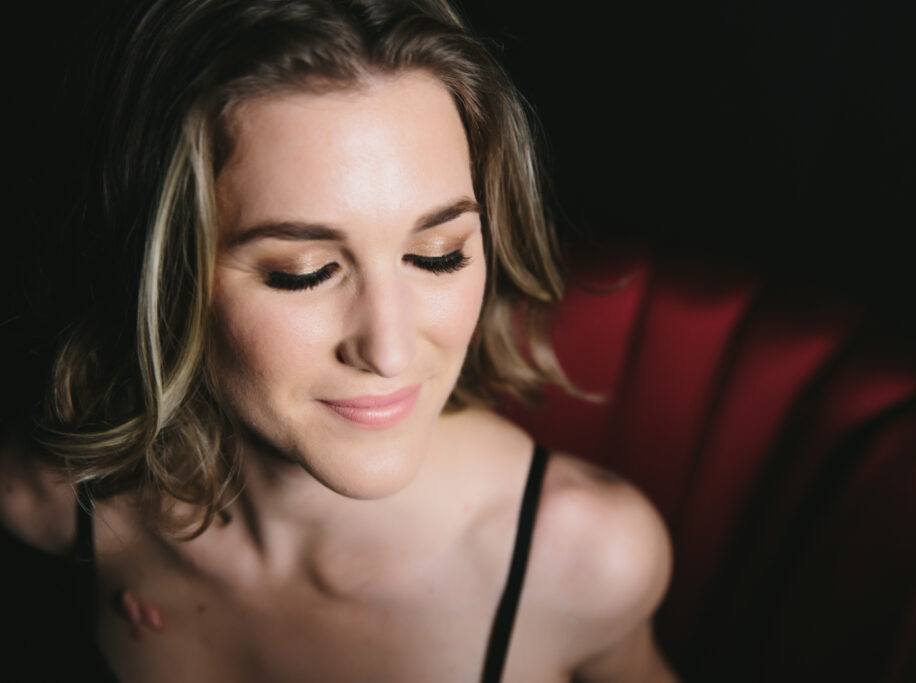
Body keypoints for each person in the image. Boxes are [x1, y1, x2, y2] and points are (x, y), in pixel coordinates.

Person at [0, 1, 677, 680]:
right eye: (306, 273)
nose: (390, 349)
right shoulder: (52, 497)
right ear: (160, 271)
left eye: (439, 254)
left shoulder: (586, 561)